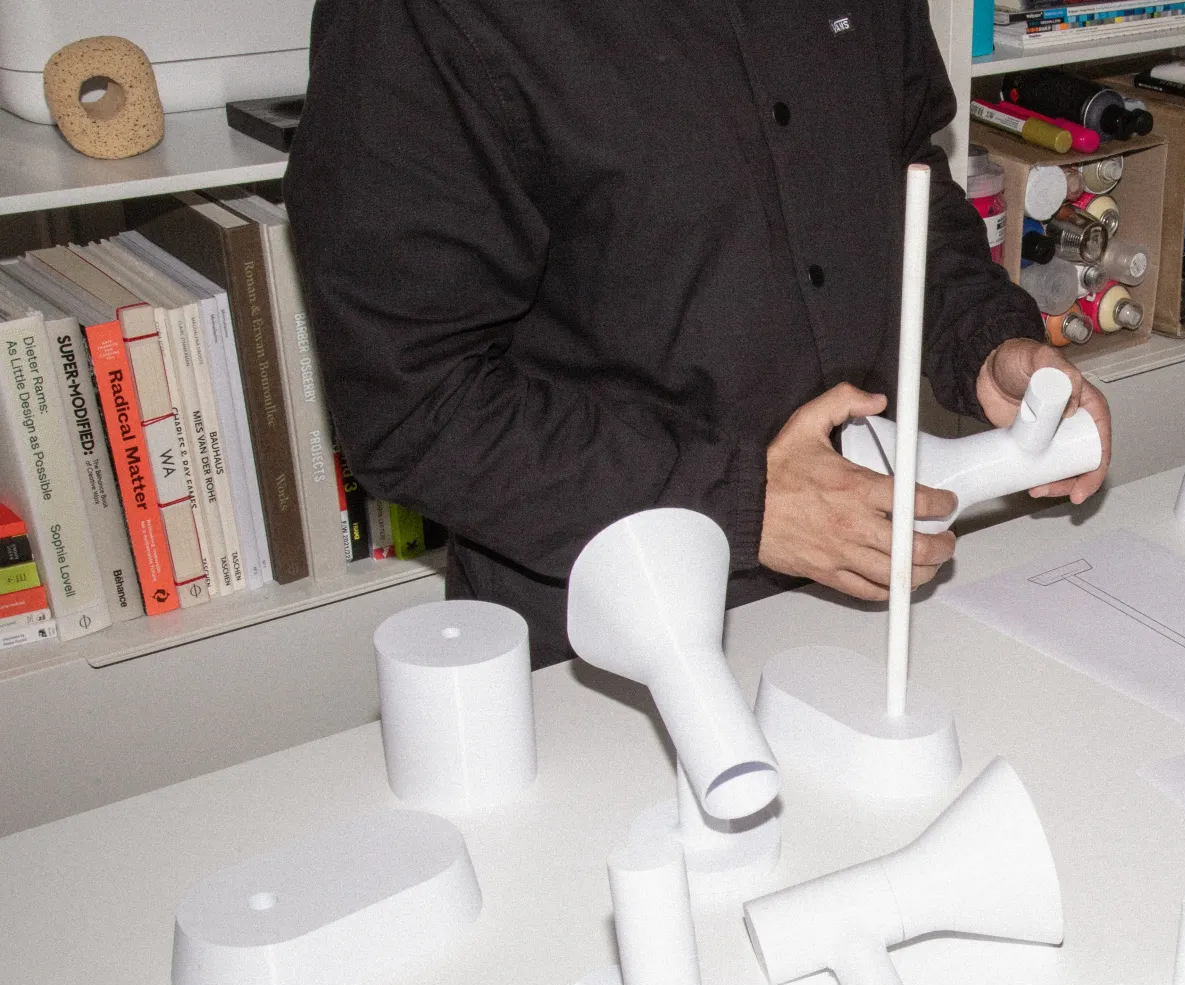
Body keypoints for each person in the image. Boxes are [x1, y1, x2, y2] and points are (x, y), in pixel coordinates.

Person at [287, 0, 1111, 667]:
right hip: (603, 649)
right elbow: (413, 402)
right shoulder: (420, 18)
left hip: (863, 605)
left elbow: (903, 180)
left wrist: (981, 338)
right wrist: (749, 507)